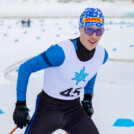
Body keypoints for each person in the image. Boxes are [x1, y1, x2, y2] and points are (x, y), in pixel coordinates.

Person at [13, 7, 108, 134]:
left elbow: (92, 70)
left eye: (99, 31)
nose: (94, 36)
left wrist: (87, 98)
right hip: (47, 110)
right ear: (80, 29)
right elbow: (25, 68)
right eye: (89, 30)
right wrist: (20, 104)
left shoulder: (102, 55)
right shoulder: (60, 52)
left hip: (74, 111)